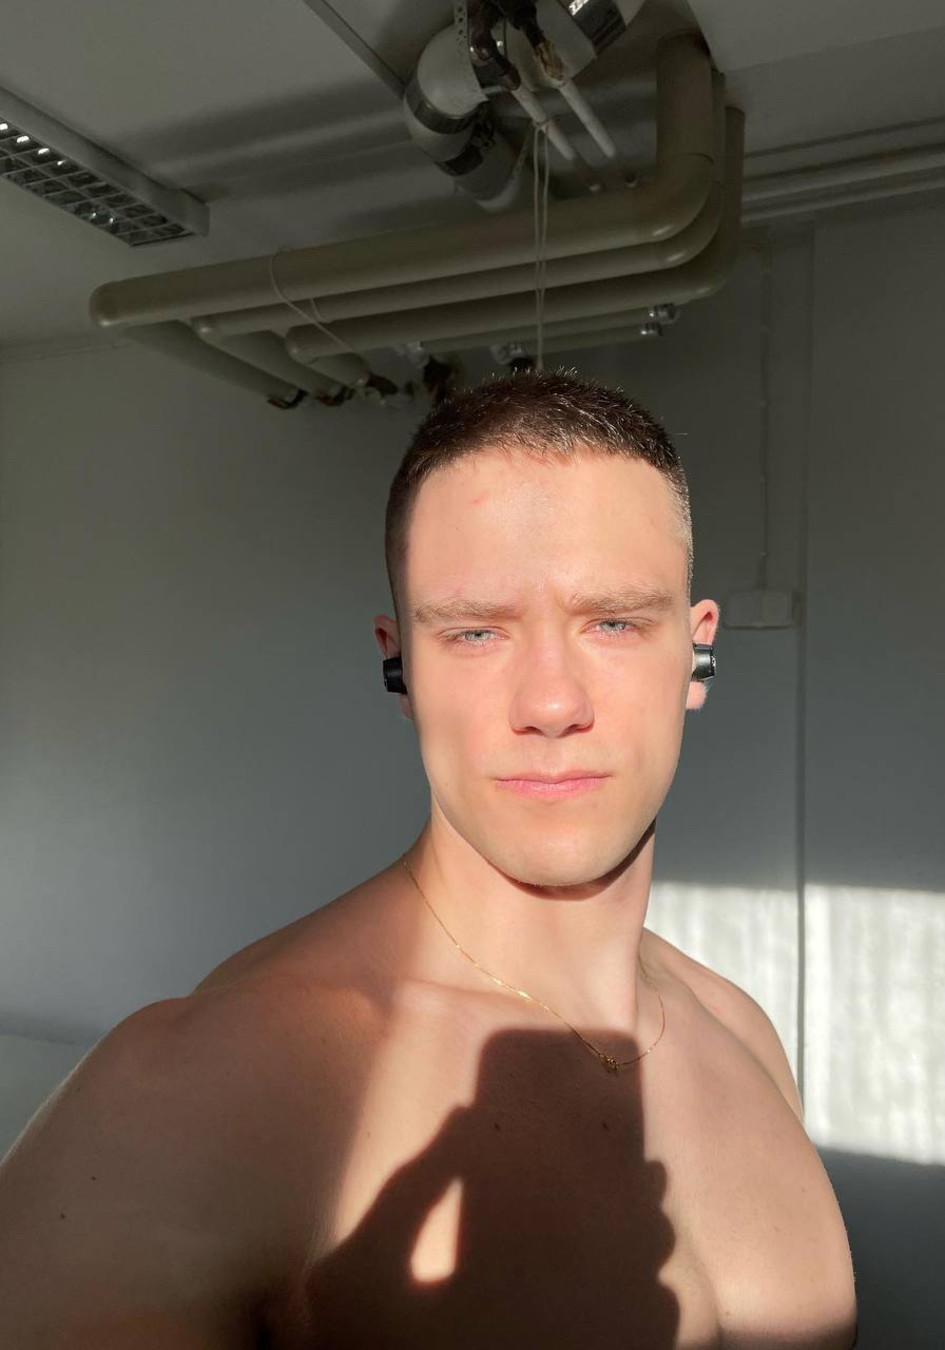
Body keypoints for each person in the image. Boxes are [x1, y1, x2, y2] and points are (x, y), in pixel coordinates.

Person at [0, 368, 857, 1349]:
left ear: (696, 654)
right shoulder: (200, 1096)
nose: (551, 703)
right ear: (400, 664)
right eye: (476, 631)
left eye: (614, 621)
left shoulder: (743, 1033)